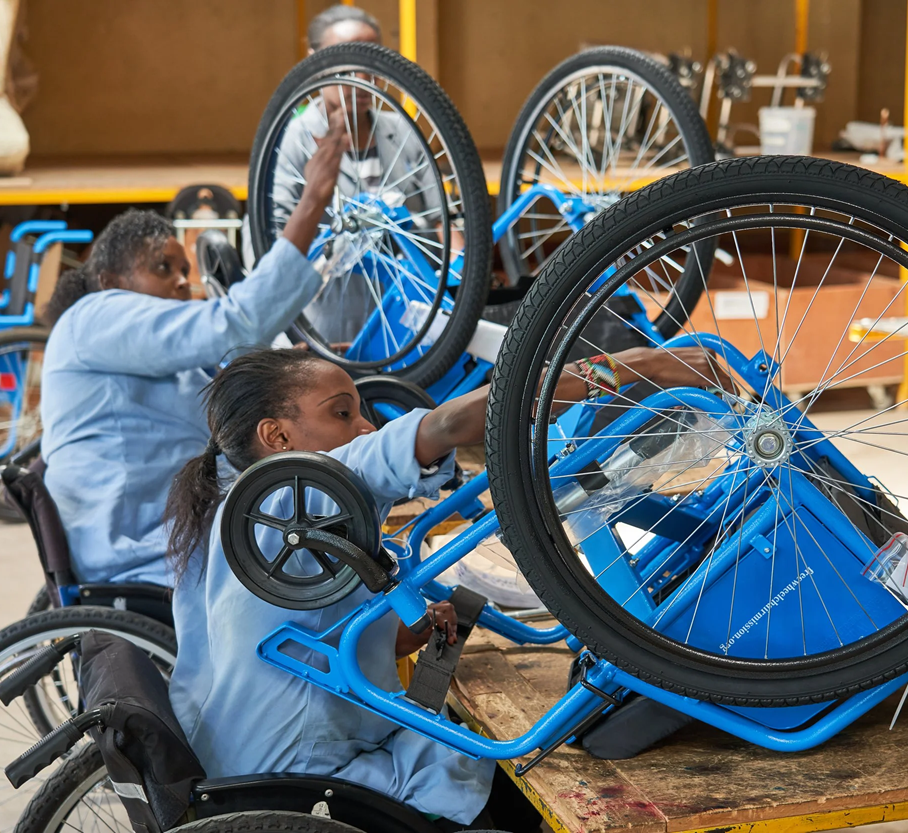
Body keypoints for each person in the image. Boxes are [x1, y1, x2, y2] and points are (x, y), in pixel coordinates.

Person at [164, 345, 730, 831]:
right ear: (276, 435)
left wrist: (399, 638)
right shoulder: (298, 492)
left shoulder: (229, 515)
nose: (364, 429)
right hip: (308, 776)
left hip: (241, 762)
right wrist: (639, 364)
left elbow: (286, 641)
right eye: (341, 414)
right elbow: (456, 423)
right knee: (521, 770)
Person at [39, 111, 351, 587]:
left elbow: (234, 371)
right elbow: (232, 324)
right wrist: (312, 202)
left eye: (185, 270)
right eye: (163, 268)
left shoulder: (147, 349)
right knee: (324, 566)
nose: (183, 282)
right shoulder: (94, 317)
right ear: (110, 281)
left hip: (172, 536)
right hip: (139, 552)